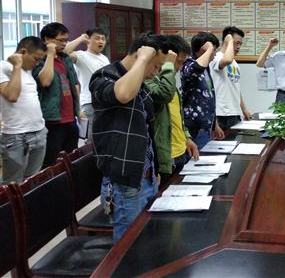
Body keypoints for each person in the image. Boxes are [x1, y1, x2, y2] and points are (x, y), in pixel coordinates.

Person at [90, 33, 166, 243]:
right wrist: (143, 60)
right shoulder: (104, 76)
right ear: (141, 55)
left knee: (145, 242)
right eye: (156, 66)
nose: (155, 73)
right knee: (128, 247)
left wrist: (155, 169)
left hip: (147, 176)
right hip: (125, 182)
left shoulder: (140, 82)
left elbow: (148, 129)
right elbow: (122, 94)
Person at [145, 35, 199, 186]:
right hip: (166, 157)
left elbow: (177, 115)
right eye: (178, 62)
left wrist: (187, 137)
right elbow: (163, 95)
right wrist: (168, 65)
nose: (180, 68)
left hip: (181, 151)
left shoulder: (169, 81)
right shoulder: (149, 80)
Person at [32, 22, 80, 168]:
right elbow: (45, 81)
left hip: (71, 120)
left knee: (70, 161)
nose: (65, 44)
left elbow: (75, 83)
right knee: (50, 164)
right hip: (53, 122)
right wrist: (50, 54)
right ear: (47, 39)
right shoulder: (38, 60)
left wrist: (78, 110)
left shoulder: (65, 58)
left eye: (66, 40)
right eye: (61, 40)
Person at [0, 37, 47, 183]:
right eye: (36, 59)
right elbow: (12, 95)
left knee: (32, 181)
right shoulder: (3, 67)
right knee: (13, 184)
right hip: (17, 136)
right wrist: (17, 66)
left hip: (38, 131)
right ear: (23, 52)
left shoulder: (27, 71)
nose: (37, 63)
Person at [64, 27, 110, 142]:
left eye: (103, 39)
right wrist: (80, 39)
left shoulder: (104, 58)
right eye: (97, 38)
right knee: (91, 142)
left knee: (104, 140)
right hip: (90, 104)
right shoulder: (81, 56)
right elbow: (63, 53)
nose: (101, 41)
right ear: (88, 40)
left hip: (105, 102)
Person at [181, 32, 224, 149]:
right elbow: (196, 68)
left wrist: (215, 124)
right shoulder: (188, 64)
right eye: (213, 50)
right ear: (203, 50)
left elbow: (209, 97)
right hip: (194, 127)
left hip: (206, 126)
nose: (215, 54)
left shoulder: (206, 67)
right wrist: (209, 49)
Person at [210, 26, 252, 133]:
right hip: (221, 114)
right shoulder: (216, 58)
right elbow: (227, 60)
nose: (238, 47)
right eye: (236, 43)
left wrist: (244, 109)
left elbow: (236, 88)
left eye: (240, 44)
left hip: (235, 113)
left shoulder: (235, 64)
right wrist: (229, 41)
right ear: (226, 41)